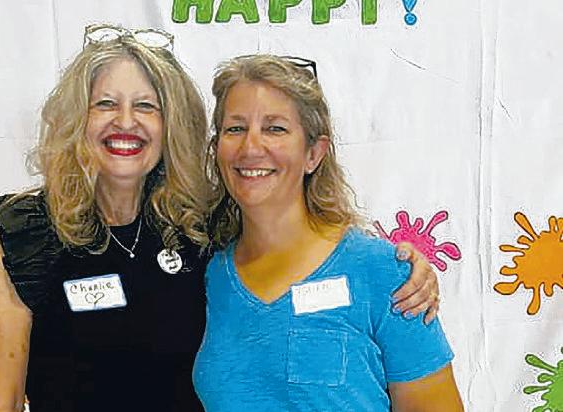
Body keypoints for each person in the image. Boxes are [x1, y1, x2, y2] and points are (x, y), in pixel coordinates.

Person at [0, 25, 442, 412]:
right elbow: (3, 403)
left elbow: (294, 237)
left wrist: (397, 266)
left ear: (171, 125)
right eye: (105, 104)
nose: (125, 121)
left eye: (146, 106)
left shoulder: (194, 228)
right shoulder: (28, 235)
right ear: (76, 118)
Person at [193, 54, 464, 411]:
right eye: (235, 128)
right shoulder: (203, 276)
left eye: (275, 128)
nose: (251, 147)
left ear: (314, 153)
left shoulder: (385, 273)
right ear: (216, 149)